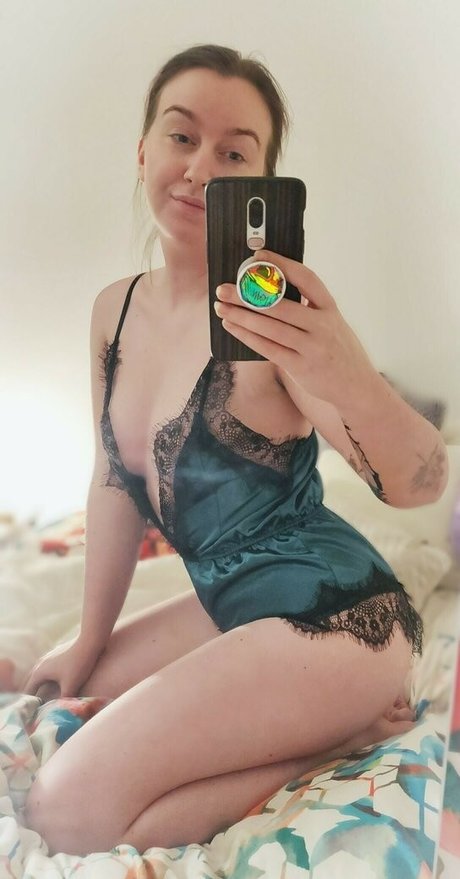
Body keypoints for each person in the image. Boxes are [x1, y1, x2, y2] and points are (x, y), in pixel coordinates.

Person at [23, 44, 448, 856]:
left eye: (234, 154)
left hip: (341, 615)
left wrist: (348, 371)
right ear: (143, 151)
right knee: (62, 683)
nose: (199, 170)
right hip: (230, 597)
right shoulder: (114, 311)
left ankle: (337, 736)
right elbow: (112, 480)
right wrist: (88, 636)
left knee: (64, 810)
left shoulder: (276, 327)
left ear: (262, 184)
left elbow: (420, 483)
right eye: (182, 137)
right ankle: (320, 723)